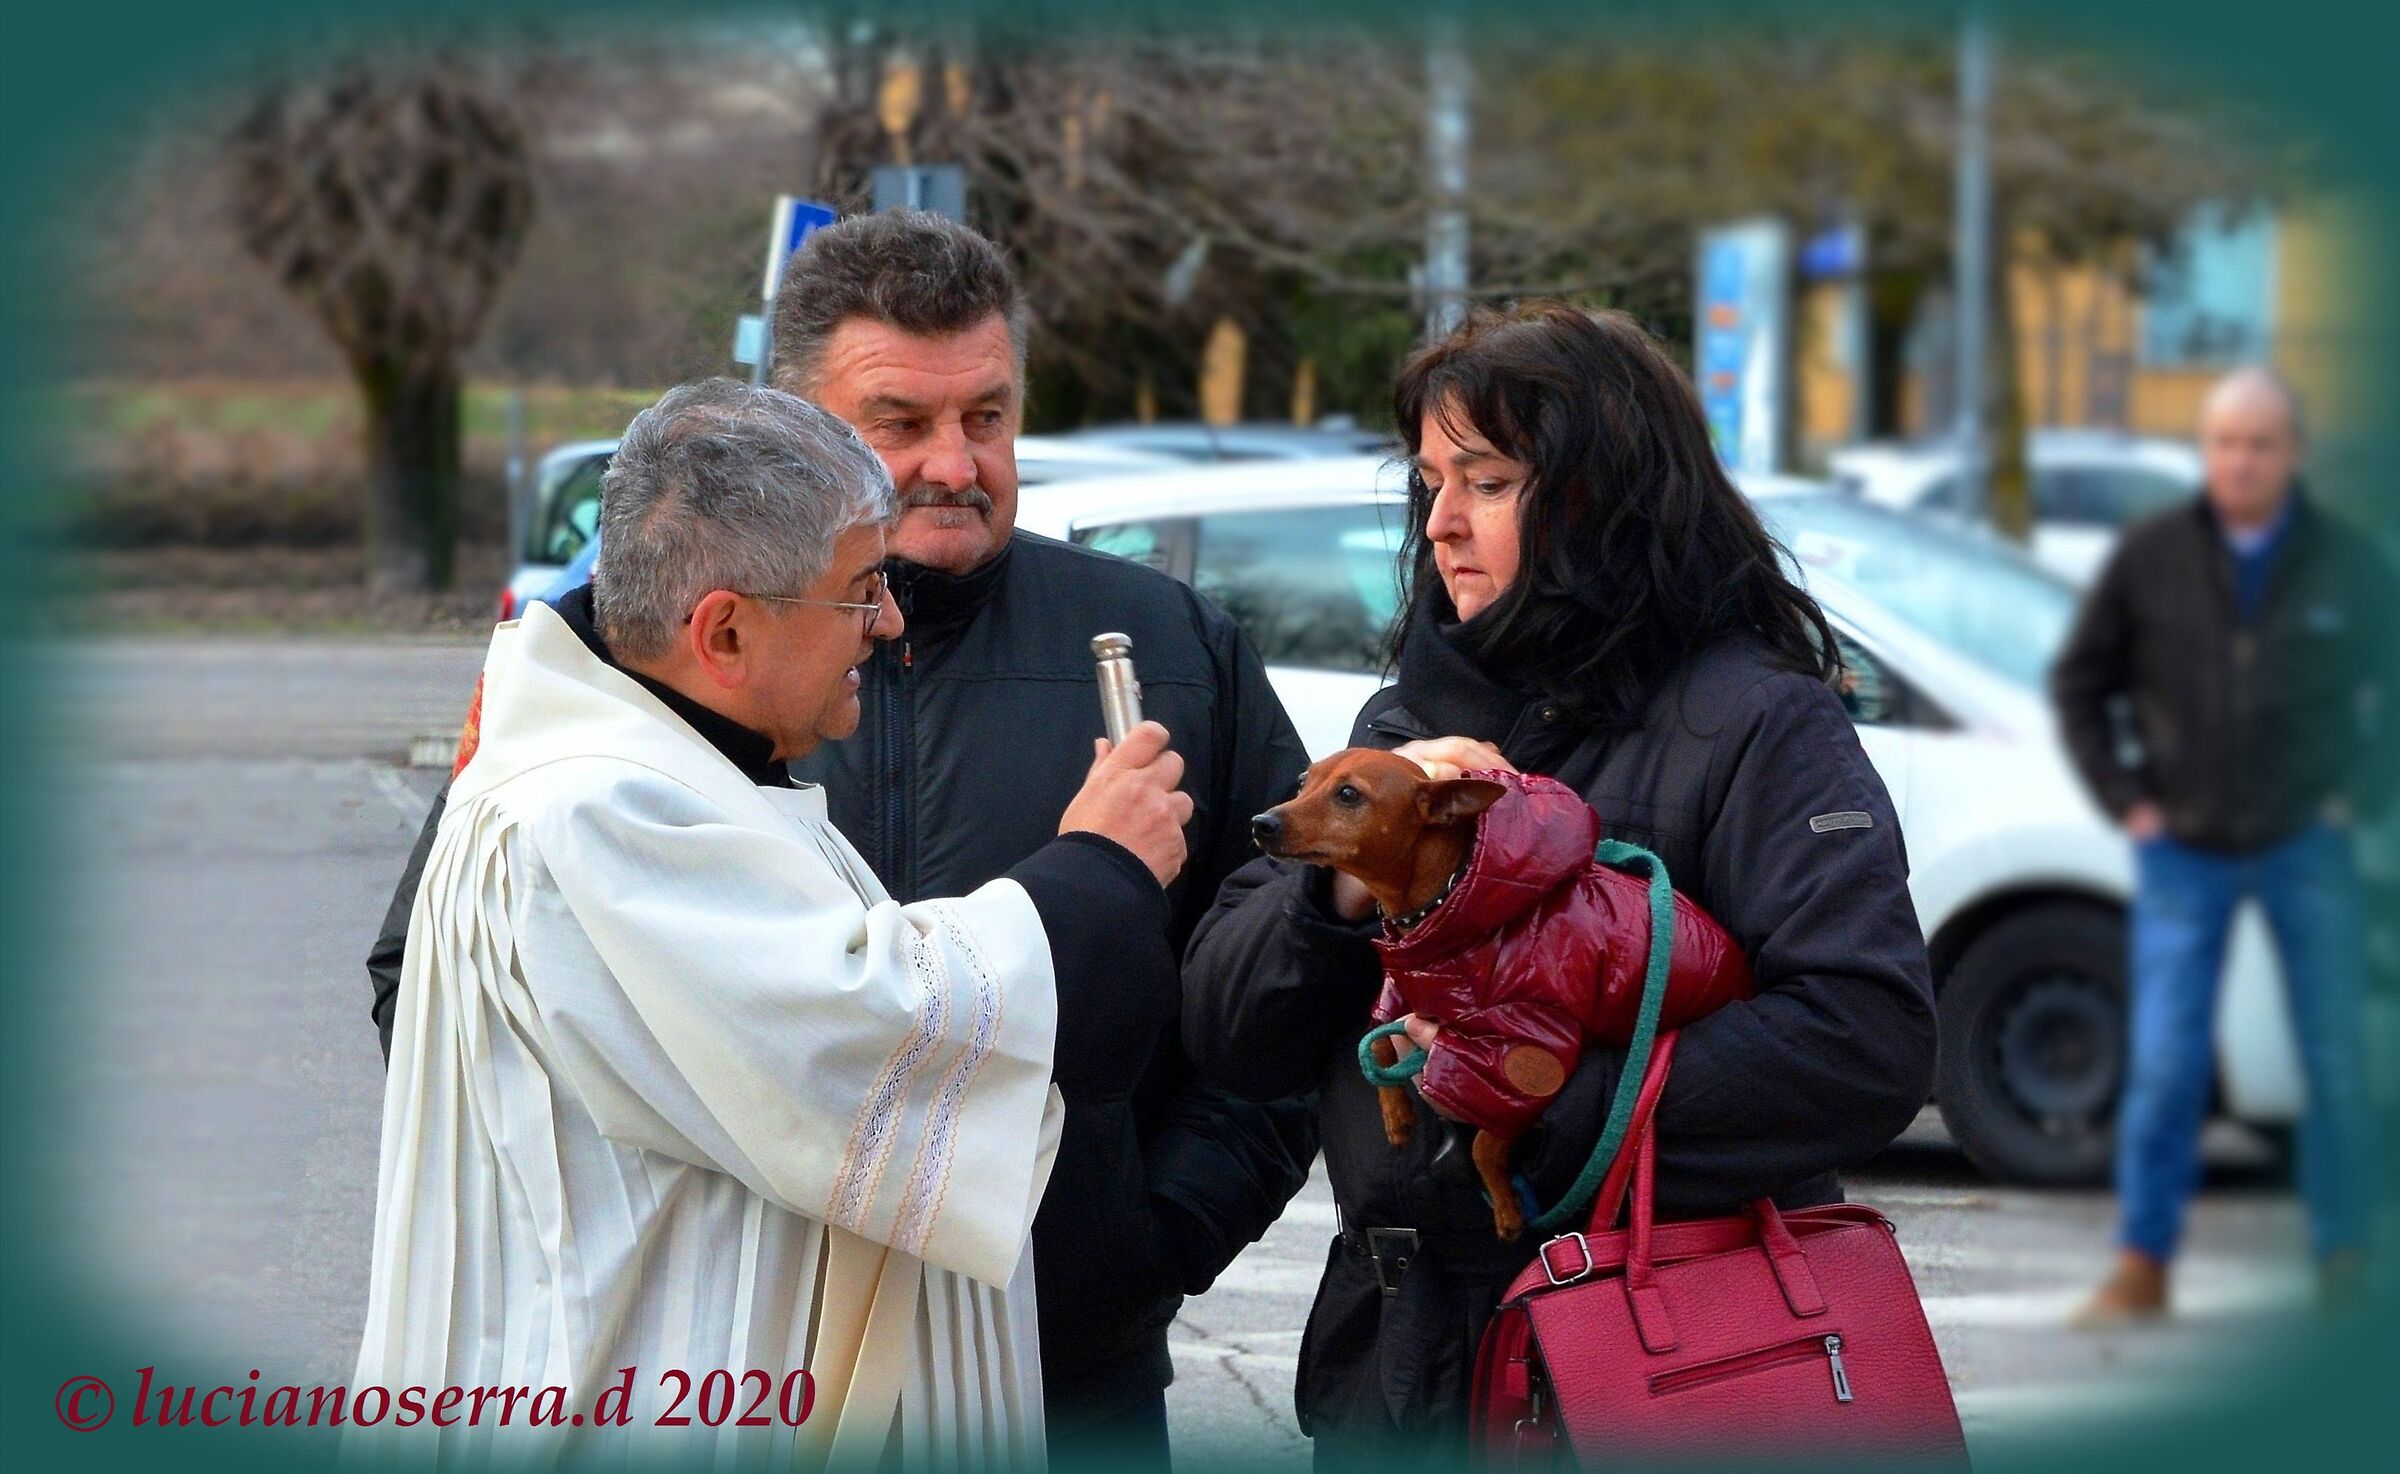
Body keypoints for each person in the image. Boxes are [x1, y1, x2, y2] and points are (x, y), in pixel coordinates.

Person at [366, 211, 1316, 1463]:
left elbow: (1288, 969)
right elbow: (855, 1021)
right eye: (901, 424)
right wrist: (1096, 869)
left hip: (1069, 1364)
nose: (953, 464)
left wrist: (1154, 1235)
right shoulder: (614, 733)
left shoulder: (1169, 643)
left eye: (987, 416)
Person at [1180, 302, 1937, 1465]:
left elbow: (1863, 1035)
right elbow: (1234, 1032)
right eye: (1428, 481)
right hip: (1406, 1373)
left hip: (1660, 1363)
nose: (1438, 523)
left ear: (1598, 497)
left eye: (1483, 482)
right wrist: (1340, 886)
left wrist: (1535, 1100)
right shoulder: (1405, 724)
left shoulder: (1755, 719)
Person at [2051, 367, 2393, 1325]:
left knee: (2335, 1059)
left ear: (2294, 454)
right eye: (2225, 443)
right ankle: (2142, 1265)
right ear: (2206, 452)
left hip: (2304, 843)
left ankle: (2347, 1259)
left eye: (2261, 444)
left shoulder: (2348, 563)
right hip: (2184, 850)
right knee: (2167, 1063)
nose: (2241, 461)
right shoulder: (2153, 556)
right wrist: (2129, 799)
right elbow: (2083, 682)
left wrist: (2355, 796)